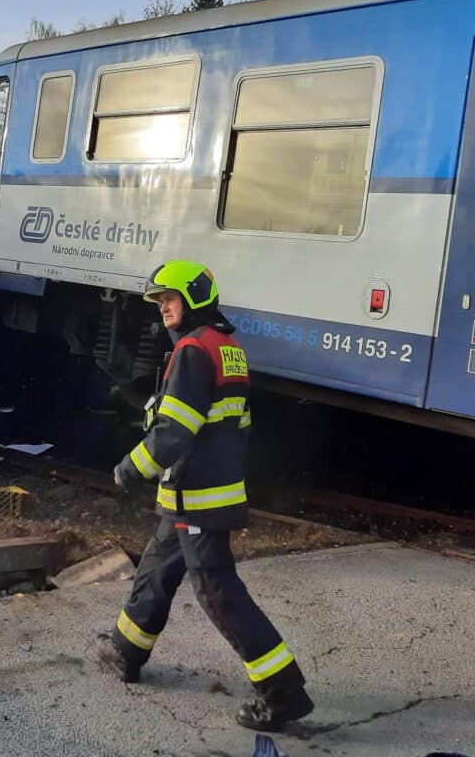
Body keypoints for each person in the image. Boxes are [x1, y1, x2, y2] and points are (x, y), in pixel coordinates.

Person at [96, 260, 314, 732]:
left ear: (194, 297)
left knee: (218, 591)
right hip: (196, 493)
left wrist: (130, 468)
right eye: (158, 302)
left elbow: (174, 432)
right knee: (157, 566)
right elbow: (240, 427)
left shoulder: (194, 351)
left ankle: (283, 692)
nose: (162, 310)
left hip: (197, 496)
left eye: (169, 299)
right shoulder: (227, 348)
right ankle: (124, 650)